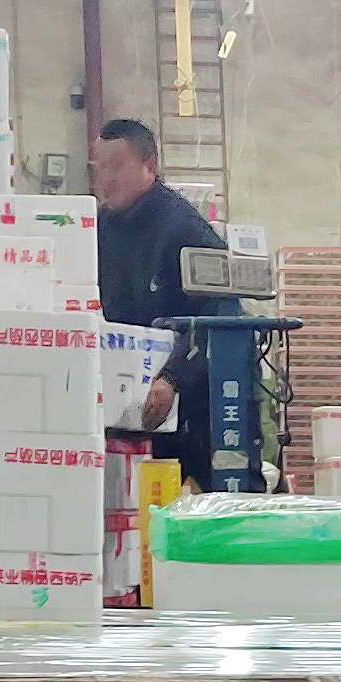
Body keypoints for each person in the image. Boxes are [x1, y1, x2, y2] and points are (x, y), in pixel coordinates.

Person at [89, 118, 235, 478]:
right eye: (98, 167)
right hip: (126, 406)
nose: (105, 179)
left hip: (189, 408)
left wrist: (172, 378)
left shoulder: (184, 229)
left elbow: (220, 311)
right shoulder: (98, 229)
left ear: (149, 166)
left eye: (116, 166)